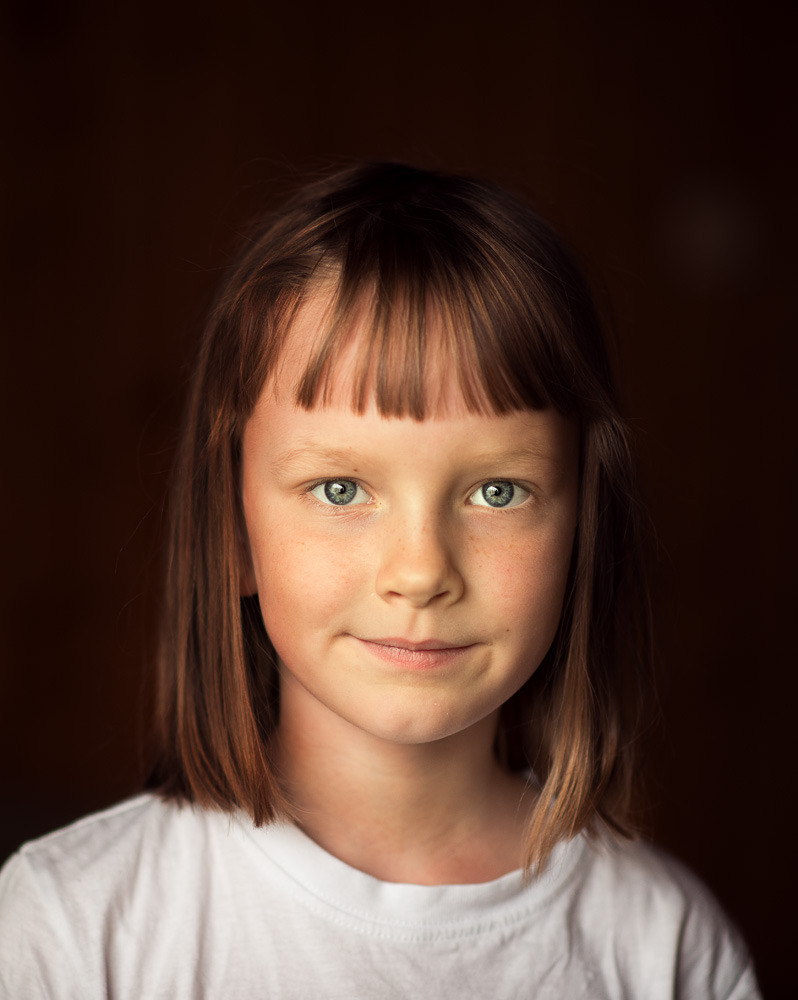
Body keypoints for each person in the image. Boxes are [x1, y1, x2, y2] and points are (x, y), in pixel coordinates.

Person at [0, 163, 761, 998]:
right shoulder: (69, 928)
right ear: (233, 530)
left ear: (583, 527)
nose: (421, 572)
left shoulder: (664, 949)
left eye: (496, 491)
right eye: (340, 490)